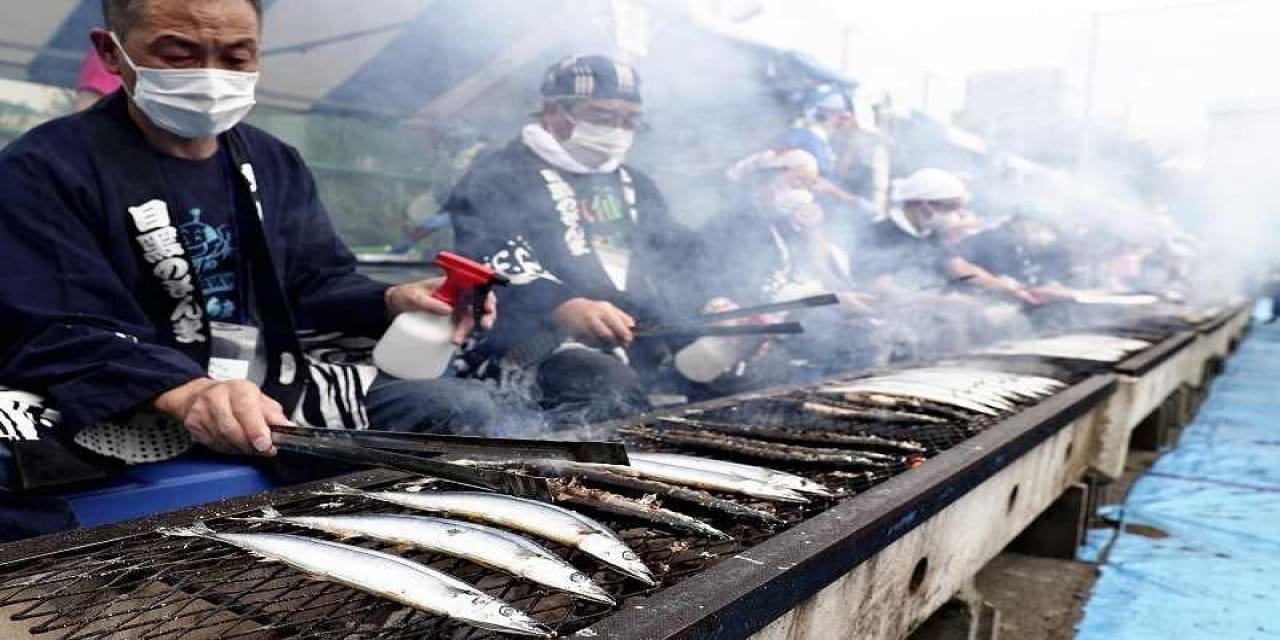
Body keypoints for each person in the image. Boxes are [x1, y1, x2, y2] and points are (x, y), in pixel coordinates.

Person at [0, 0, 509, 511]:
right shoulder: (42, 169)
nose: (211, 74)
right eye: (179, 54)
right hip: (128, 397)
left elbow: (315, 284)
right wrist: (188, 393)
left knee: (456, 409)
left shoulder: (272, 161)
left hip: (266, 384)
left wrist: (394, 300)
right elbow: (56, 326)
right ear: (110, 52)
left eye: (237, 57)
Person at [449, 55, 701, 423]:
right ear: (554, 110)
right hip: (528, 349)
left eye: (629, 120)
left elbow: (677, 252)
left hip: (634, 344)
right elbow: (489, 251)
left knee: (737, 369)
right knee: (605, 382)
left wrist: (714, 298)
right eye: (601, 117)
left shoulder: (635, 183)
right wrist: (561, 304)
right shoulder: (497, 175)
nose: (617, 130)